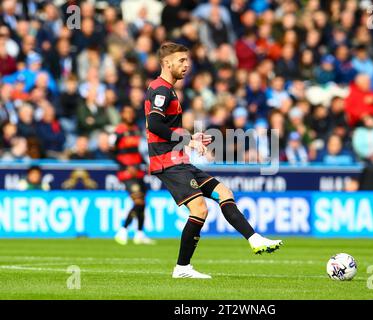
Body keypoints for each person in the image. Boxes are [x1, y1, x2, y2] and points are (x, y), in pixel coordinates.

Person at [145, 42, 282, 279]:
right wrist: (187, 140)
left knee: (224, 192)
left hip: (179, 158)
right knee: (199, 208)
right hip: (167, 161)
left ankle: (255, 239)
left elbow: (166, 126)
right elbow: (154, 124)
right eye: (181, 61)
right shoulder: (160, 89)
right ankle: (182, 268)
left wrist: (189, 136)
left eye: (187, 61)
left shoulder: (170, 89)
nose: (186, 65)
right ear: (166, 63)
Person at [113, 106, 155, 245]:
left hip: (138, 171)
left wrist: (147, 163)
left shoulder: (137, 129)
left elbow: (138, 152)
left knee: (142, 202)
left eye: (131, 112)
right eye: (127, 112)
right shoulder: (118, 131)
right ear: (122, 114)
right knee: (138, 201)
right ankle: (123, 229)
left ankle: (139, 233)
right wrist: (126, 167)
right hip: (127, 173)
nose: (130, 115)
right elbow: (112, 153)